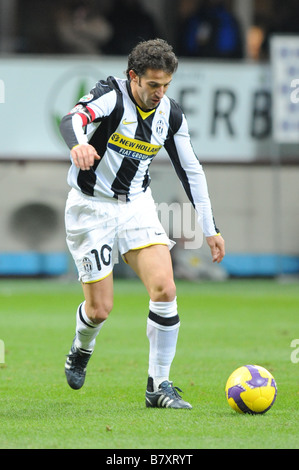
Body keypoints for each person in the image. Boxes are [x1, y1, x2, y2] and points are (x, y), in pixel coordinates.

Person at [59, 38, 225, 409]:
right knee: (100, 309)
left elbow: (191, 170)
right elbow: (72, 119)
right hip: (91, 208)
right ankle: (81, 348)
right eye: (153, 85)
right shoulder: (110, 96)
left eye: (166, 85)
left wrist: (210, 228)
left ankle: (158, 385)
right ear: (133, 77)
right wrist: (78, 145)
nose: (159, 93)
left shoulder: (171, 114)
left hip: (136, 206)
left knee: (165, 288)